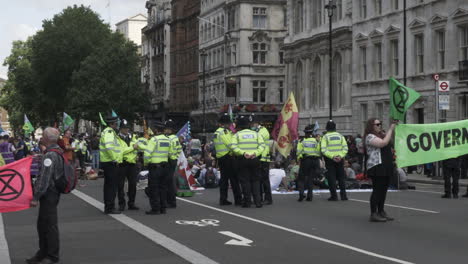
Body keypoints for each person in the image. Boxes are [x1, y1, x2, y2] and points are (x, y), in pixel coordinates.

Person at [27, 127, 63, 264]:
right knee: (43, 224)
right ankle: (43, 253)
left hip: (49, 193)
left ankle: (51, 256)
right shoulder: (56, 152)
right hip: (54, 192)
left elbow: (45, 178)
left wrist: (36, 197)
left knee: (48, 225)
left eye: (43, 135)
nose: (41, 137)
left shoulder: (50, 155)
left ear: (47, 138)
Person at [365, 118, 397, 222]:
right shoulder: (369, 136)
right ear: (371, 126)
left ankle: (381, 211)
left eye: (380, 124)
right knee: (377, 190)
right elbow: (382, 143)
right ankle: (373, 213)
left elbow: (391, 142)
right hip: (377, 166)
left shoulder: (383, 134)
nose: (379, 126)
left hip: (386, 165)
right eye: (377, 124)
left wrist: (394, 129)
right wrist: (390, 129)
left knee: (383, 190)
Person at [231, 115, 265, 208]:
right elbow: (262, 145)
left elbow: (233, 147)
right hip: (255, 159)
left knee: (245, 181)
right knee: (256, 180)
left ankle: (247, 202)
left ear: (239, 126)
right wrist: (255, 153)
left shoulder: (237, 135)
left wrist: (243, 153)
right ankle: (258, 202)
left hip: (243, 160)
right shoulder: (256, 134)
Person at [213, 114, 242, 206]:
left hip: (221, 158)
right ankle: (238, 199)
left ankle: (223, 199)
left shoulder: (217, 132)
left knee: (224, 179)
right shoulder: (224, 132)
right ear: (225, 123)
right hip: (228, 157)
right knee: (234, 179)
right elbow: (230, 144)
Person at [145, 122, 171, 215]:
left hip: (155, 168)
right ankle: (163, 208)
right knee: (163, 188)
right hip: (165, 167)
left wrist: (146, 163)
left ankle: (155, 209)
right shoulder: (168, 140)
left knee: (154, 188)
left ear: (156, 130)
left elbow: (147, 153)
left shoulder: (154, 139)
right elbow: (171, 154)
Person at [99, 114, 122, 214]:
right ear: (113, 123)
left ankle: (109, 206)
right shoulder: (109, 132)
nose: (117, 124)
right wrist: (114, 159)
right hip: (110, 162)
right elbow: (109, 147)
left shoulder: (109, 132)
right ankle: (110, 207)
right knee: (111, 186)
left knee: (109, 186)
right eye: (116, 122)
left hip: (107, 161)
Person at [321, 120, 348, 201]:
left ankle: (334, 196)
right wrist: (340, 156)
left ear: (327, 128)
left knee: (331, 178)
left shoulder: (325, 137)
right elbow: (345, 148)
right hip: (340, 160)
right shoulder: (341, 136)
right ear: (335, 127)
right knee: (341, 178)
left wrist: (332, 157)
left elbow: (323, 149)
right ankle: (344, 196)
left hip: (330, 160)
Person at [117, 119, 140, 210]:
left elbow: (137, 147)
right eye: (124, 128)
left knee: (133, 184)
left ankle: (131, 203)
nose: (127, 130)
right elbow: (121, 151)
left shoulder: (133, 137)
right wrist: (132, 148)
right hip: (122, 163)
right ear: (120, 129)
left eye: (127, 128)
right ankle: (121, 204)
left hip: (132, 164)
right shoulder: (117, 138)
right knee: (120, 185)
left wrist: (136, 154)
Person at [251, 115, 273, 205]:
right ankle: (258, 197)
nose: (252, 125)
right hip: (257, 158)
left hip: (264, 158)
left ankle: (268, 198)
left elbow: (257, 140)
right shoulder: (255, 130)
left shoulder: (263, 130)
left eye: (253, 123)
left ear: (257, 123)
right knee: (257, 180)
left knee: (264, 179)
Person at [296, 125, 321, 201]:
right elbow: (318, 152)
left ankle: (301, 194)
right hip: (314, 161)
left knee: (301, 178)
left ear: (305, 133)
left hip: (305, 160)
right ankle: (309, 196)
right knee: (310, 178)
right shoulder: (316, 141)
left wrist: (299, 158)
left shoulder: (302, 141)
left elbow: (299, 152)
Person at [165, 119, 182, 208]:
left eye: (166, 129)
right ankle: (172, 201)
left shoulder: (168, 138)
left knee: (168, 182)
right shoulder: (175, 138)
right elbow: (179, 149)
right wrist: (175, 156)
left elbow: (166, 151)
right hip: (174, 161)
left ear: (169, 129)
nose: (165, 130)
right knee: (171, 181)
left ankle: (170, 201)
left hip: (169, 160)